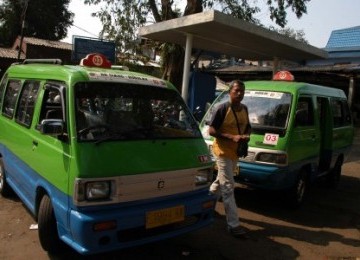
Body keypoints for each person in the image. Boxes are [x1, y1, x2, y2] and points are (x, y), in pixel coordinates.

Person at [208, 80, 251, 238]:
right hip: (222, 151)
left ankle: (205, 206)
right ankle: (233, 225)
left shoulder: (244, 109)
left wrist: (246, 136)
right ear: (230, 92)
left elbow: (248, 126)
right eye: (237, 90)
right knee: (228, 187)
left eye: (242, 91)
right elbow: (211, 130)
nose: (240, 93)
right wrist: (231, 137)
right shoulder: (222, 108)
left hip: (235, 153)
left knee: (219, 182)